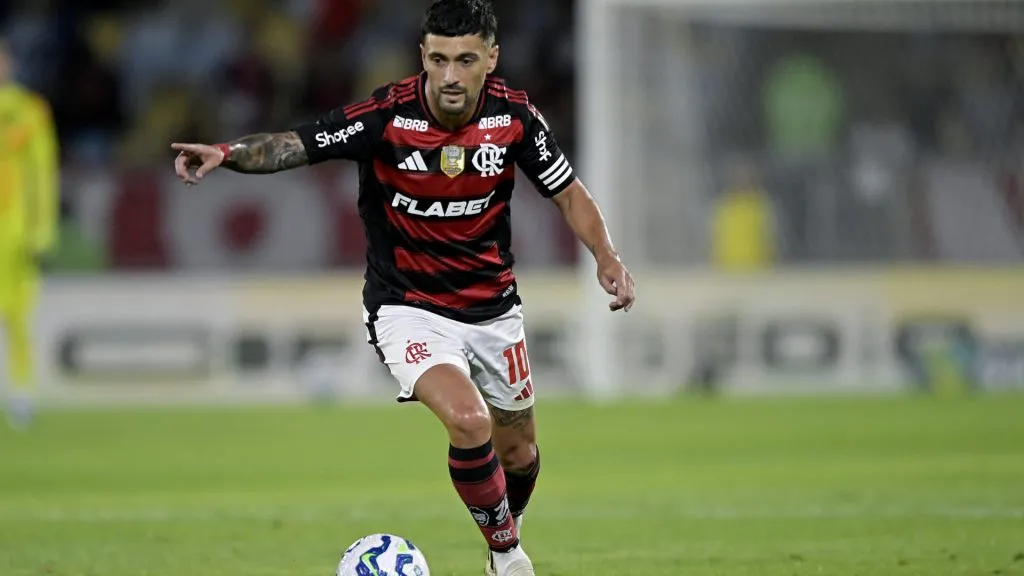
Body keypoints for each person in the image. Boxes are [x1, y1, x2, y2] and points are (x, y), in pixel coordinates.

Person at [171, 1, 635, 574]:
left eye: (465, 60)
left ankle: (500, 544)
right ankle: (509, 556)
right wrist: (227, 153)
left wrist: (606, 256)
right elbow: (298, 143)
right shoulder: (386, 116)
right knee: (470, 422)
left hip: (493, 309)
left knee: (520, 454)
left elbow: (566, 191)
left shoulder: (514, 118)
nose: (449, 75)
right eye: (438, 59)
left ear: (491, 58)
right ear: (423, 56)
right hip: (407, 308)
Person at [0, 36, 60, 431]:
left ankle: (20, 393)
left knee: (18, 316)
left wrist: (41, 230)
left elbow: (42, 173)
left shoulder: (29, 111)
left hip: (13, 230)